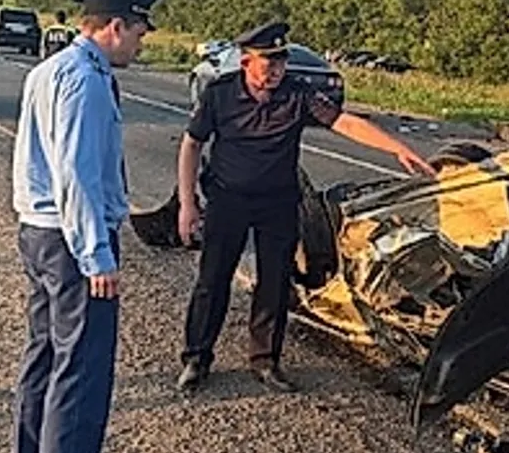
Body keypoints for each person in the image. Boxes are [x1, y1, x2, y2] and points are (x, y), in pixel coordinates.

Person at [175, 21, 436, 395]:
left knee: (276, 282)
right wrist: (188, 204)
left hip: (278, 202)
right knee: (213, 280)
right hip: (227, 200)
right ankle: (196, 359)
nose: (277, 71)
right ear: (247, 62)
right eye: (269, 64)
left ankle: (265, 361)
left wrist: (397, 147)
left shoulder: (297, 93)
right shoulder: (220, 94)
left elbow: (345, 122)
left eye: (281, 63)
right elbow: (191, 145)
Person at [10, 0, 159, 453]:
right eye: (140, 33)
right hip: (73, 243)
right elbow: (75, 174)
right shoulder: (86, 80)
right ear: (114, 27)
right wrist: (96, 254)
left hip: (40, 233)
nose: (142, 45)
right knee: (81, 374)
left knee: (44, 360)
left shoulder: (48, 70)